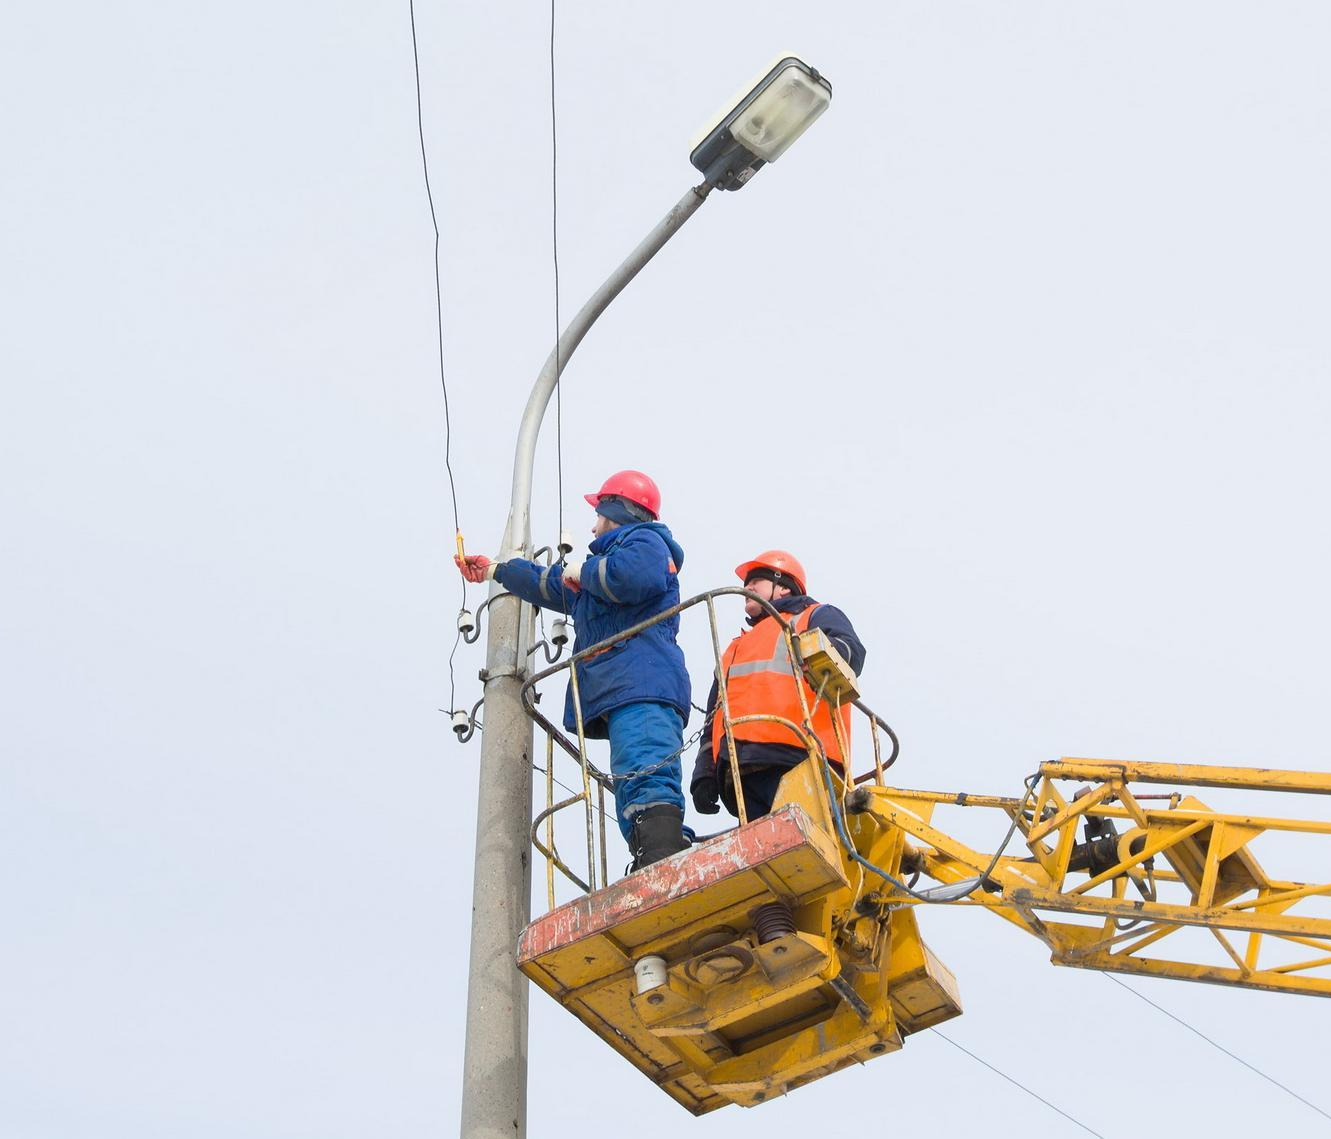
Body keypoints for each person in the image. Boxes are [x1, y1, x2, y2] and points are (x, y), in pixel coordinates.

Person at [456, 470, 692, 870]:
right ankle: (649, 851)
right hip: (623, 685)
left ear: (616, 510)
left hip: (642, 680)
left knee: (646, 763)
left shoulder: (647, 543)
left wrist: (584, 574)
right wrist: (497, 569)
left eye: (598, 513)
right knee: (630, 775)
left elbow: (632, 577)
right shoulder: (604, 565)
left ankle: (662, 853)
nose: (593, 523)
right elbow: (547, 584)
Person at [690, 550, 866, 823]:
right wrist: (704, 770)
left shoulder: (813, 616)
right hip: (741, 771)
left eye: (755, 581)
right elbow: (713, 718)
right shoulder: (734, 648)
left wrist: (828, 658)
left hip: (797, 757)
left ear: (783, 587)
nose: (746, 588)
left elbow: (851, 651)